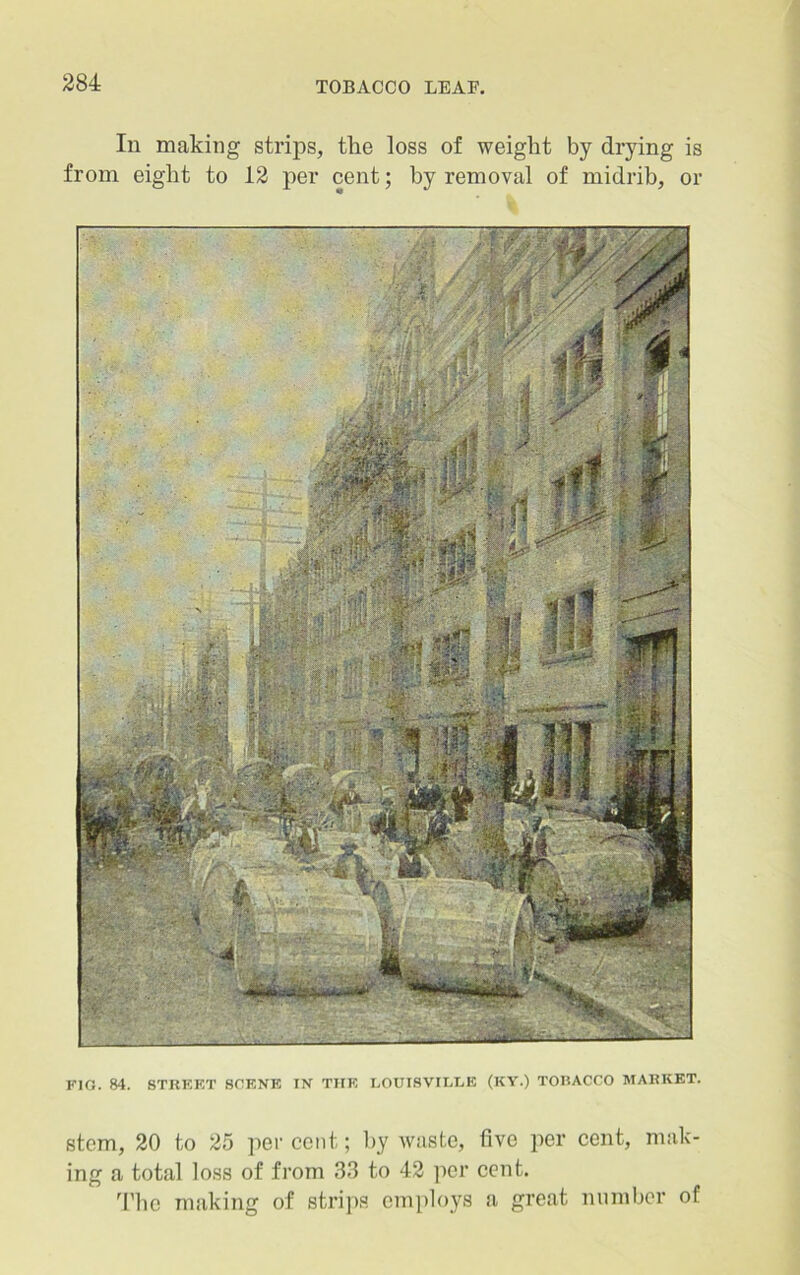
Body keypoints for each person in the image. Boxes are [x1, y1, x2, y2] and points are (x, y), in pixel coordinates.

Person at [649, 798, 682, 903]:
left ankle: (674, 895)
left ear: (668, 807)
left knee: (672, 872)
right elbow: (655, 826)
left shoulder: (671, 819)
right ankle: (669, 893)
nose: (660, 808)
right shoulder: (663, 818)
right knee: (667, 871)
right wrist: (646, 830)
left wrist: (653, 834)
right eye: (660, 806)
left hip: (670, 850)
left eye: (663, 806)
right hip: (664, 849)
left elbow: (663, 830)